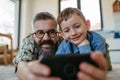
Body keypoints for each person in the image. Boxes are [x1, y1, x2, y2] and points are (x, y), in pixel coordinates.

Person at [13, 12, 107, 80]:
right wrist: (27, 74)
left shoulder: (66, 40)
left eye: (52, 32)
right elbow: (21, 62)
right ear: (33, 35)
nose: (46, 38)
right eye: (40, 33)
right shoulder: (29, 41)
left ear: (59, 34)